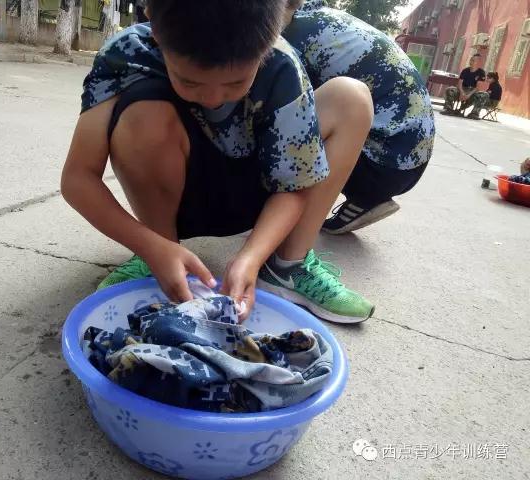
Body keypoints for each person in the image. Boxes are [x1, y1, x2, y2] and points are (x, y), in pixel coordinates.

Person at [61, 0, 376, 324]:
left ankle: (287, 266)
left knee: (351, 98)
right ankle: (158, 256)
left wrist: (251, 258)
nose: (213, 99)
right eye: (189, 81)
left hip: (259, 198)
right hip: (175, 197)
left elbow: (294, 186)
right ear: (154, 26)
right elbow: (78, 178)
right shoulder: (126, 55)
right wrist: (151, 246)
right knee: (143, 116)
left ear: (270, 41)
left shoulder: (282, 65)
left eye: (236, 82)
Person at [282, 0, 435, 233]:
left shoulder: (293, 35)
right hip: (406, 164)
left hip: (381, 165)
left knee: (283, 126)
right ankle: (367, 199)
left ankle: (296, 221)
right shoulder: (320, 18)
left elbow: (284, 115)